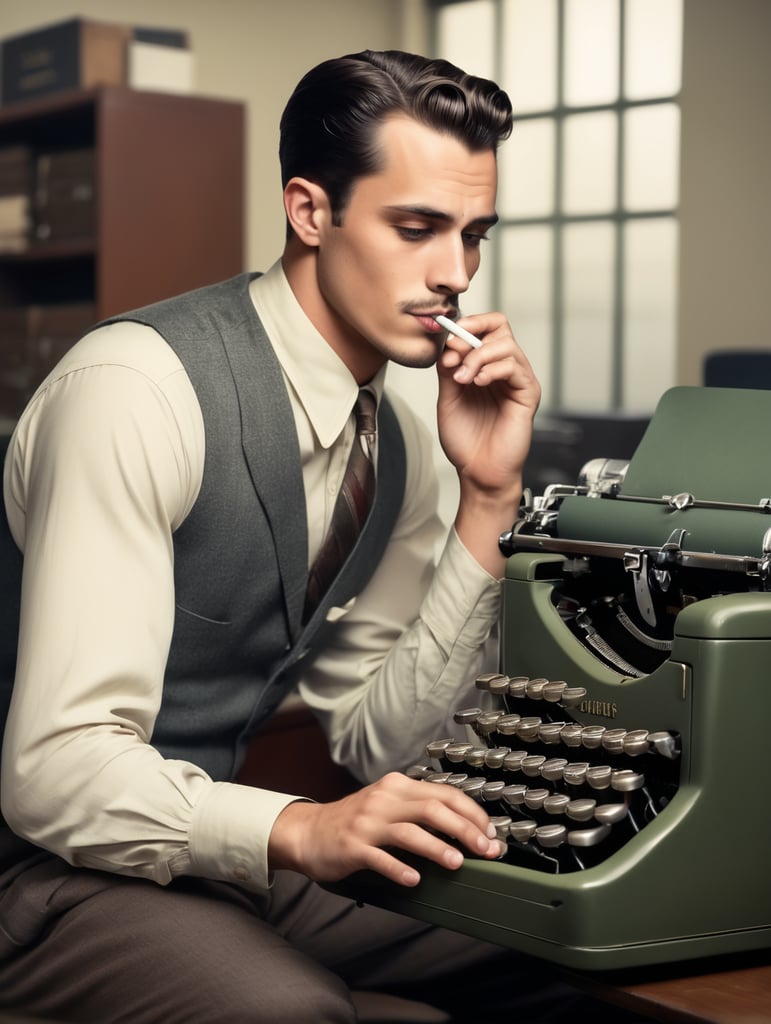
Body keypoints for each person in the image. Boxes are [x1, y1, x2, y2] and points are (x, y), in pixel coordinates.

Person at [0, 50, 640, 1023]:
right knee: (290, 1011)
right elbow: (56, 769)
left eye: (473, 235)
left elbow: (380, 740)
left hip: (214, 855)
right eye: (416, 227)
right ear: (310, 211)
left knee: (587, 937)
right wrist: (297, 828)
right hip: (39, 872)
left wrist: (487, 497)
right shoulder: (133, 391)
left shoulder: (409, 450)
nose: (454, 274)